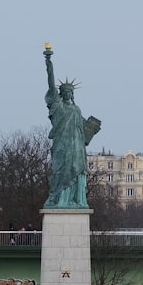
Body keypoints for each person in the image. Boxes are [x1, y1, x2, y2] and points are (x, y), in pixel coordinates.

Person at [43, 45, 101, 209]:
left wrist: (92, 129)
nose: (68, 93)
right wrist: (49, 62)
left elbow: (84, 130)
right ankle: (61, 199)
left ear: (72, 94)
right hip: (62, 145)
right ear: (61, 94)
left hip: (76, 147)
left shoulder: (76, 109)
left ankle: (76, 200)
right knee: (61, 172)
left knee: (77, 170)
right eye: (65, 91)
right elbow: (50, 82)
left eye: (70, 91)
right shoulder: (58, 106)